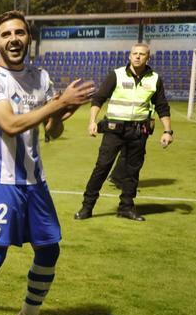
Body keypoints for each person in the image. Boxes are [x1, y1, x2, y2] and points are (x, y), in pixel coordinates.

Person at [0, 11, 95, 315]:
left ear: (28, 38)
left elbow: (51, 132)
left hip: (35, 181)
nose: (13, 39)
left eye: (19, 32)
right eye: (6, 34)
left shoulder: (41, 77)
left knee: (49, 249)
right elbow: (11, 124)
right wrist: (59, 103)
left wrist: (63, 113)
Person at [74, 43, 174, 222]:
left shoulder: (155, 79)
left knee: (132, 172)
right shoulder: (117, 74)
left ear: (147, 58)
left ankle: (126, 207)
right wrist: (92, 121)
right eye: (134, 53)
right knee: (102, 168)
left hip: (138, 132)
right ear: (129, 56)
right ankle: (86, 207)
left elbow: (162, 106)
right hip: (114, 131)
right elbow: (99, 98)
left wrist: (168, 131)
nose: (137, 57)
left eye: (142, 54)